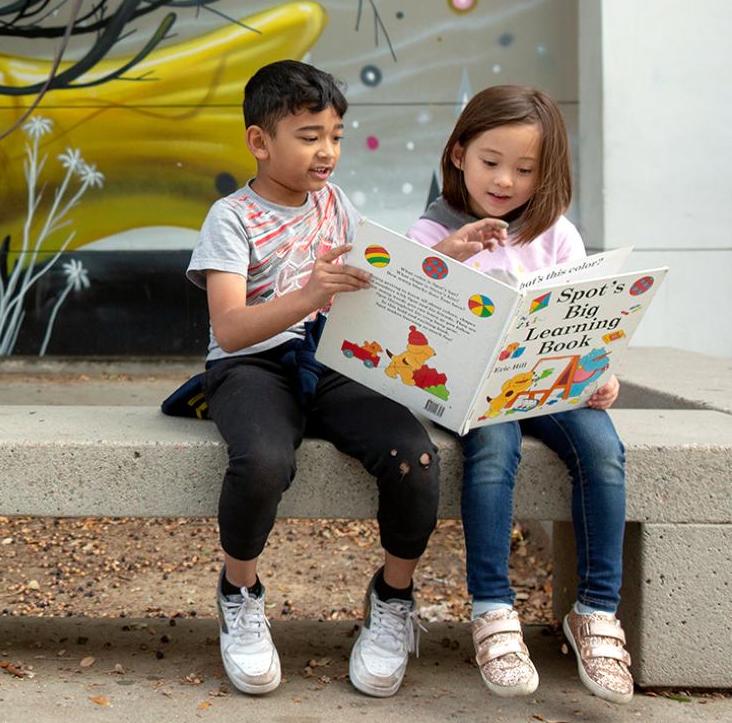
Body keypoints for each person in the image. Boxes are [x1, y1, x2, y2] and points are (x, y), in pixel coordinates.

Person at [181, 60, 440, 698]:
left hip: (332, 357)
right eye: (308, 135)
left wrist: (447, 262)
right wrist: (307, 293)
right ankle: (239, 591)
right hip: (249, 366)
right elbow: (232, 328)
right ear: (260, 142)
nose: (327, 151)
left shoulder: (334, 202)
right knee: (265, 459)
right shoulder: (231, 217)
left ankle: (392, 599)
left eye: (336, 135)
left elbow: (371, 277)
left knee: (416, 455)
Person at [407, 84, 633, 705]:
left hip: (552, 385)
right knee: (493, 453)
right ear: (458, 155)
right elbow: (410, 312)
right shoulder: (432, 228)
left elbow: (585, 318)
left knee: (603, 453)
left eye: (525, 169)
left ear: (546, 172)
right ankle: (492, 610)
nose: (504, 180)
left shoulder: (556, 234)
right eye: (490, 162)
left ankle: (595, 612)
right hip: (475, 393)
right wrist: (450, 253)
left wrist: (598, 371)